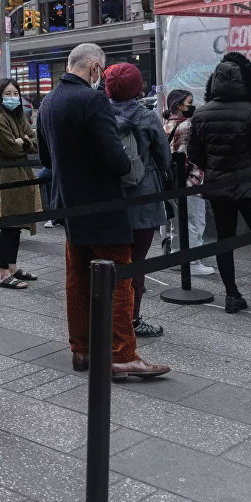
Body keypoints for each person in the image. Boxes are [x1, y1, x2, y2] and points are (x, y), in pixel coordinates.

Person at [38, 43, 169, 379]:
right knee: (118, 281)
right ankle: (123, 354)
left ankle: (80, 349)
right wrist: (128, 162)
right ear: (94, 67)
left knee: (77, 279)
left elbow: (46, 159)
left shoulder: (49, 101)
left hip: (70, 206)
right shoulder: (92, 99)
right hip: (104, 206)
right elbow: (115, 158)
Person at [188, 53, 251, 315]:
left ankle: (232, 296)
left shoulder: (200, 114)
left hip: (218, 187)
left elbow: (195, 156)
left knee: (225, 241)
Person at [105, 63, 171, 339]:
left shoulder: (100, 115)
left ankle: (108, 318)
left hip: (109, 197)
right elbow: (164, 158)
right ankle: (132, 320)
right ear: (137, 87)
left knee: (110, 262)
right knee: (137, 263)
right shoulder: (147, 117)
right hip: (144, 197)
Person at [0, 78, 41, 288]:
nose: (12, 98)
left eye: (14, 93)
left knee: (17, 225)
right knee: (9, 224)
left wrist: (24, 141)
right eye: (7, 94)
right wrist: (24, 142)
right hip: (5, 176)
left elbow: (34, 143)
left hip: (20, 173)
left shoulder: (18, 116)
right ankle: (2, 273)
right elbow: (12, 148)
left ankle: (12, 267)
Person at [162, 89, 214, 276]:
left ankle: (177, 257)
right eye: (189, 102)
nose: (192, 106)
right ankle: (192, 262)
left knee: (177, 222)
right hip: (191, 180)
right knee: (195, 221)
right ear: (178, 105)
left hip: (173, 182)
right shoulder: (188, 126)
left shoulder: (166, 123)